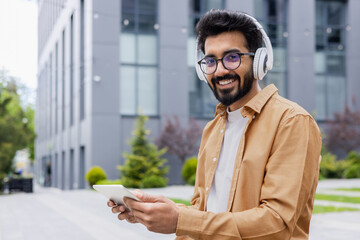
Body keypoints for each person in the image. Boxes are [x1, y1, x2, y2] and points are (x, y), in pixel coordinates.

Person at [108, 9, 322, 240]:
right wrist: (161, 213)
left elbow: (277, 223)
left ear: (260, 61)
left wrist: (180, 221)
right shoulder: (212, 129)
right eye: (210, 60)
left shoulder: (291, 122)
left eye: (232, 57)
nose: (220, 70)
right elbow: (207, 215)